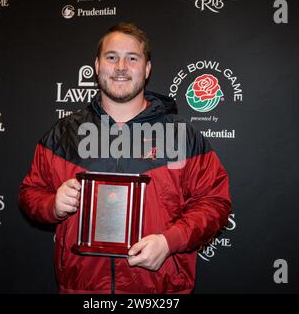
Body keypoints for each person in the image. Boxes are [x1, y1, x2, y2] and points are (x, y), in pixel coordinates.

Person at [19, 23, 231, 294]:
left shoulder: (181, 135)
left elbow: (215, 203)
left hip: (158, 291)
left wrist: (169, 241)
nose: (121, 66)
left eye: (132, 58)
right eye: (111, 57)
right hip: (81, 289)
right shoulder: (64, 133)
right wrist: (52, 204)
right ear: (97, 66)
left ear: (147, 69)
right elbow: (29, 192)